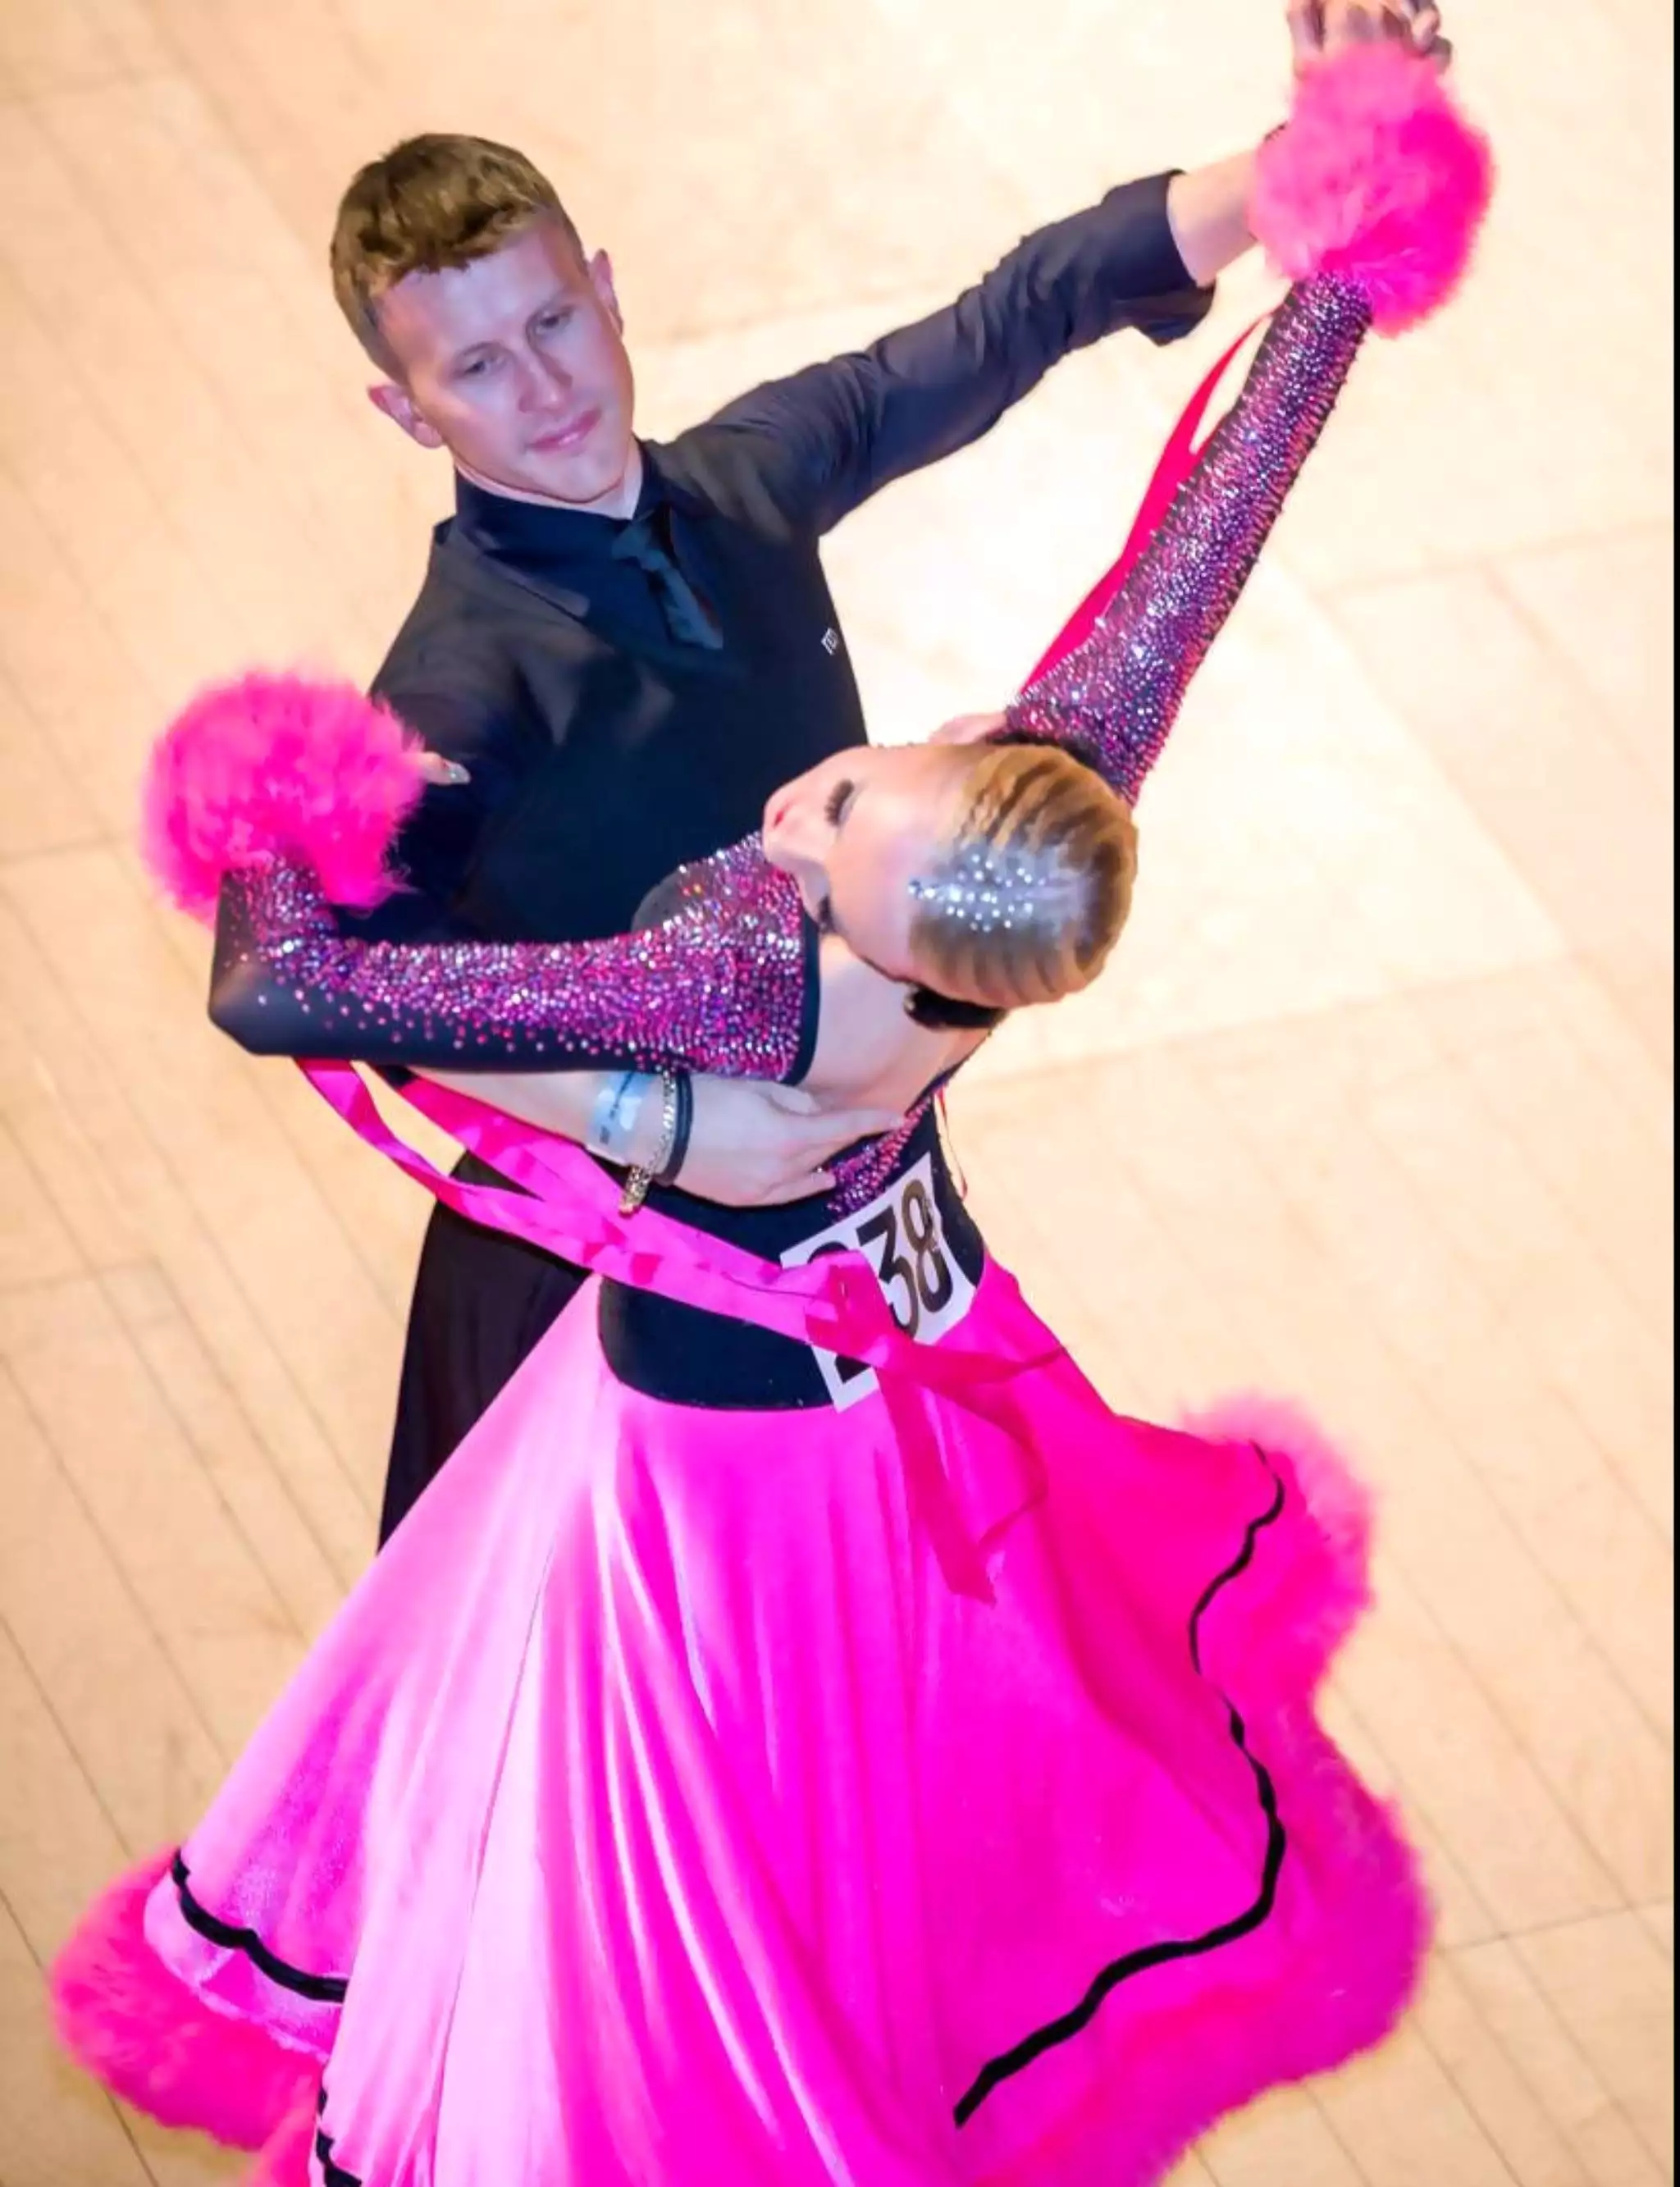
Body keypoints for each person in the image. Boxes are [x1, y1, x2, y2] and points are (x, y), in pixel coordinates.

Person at [52, 43, 1490, 2185]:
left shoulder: (727, 970)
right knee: (815, 1801)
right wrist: (1329, 238)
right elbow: (1167, 550)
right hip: (847, 1365)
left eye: (833, 802)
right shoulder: (991, 879)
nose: (806, 790)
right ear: (409, 407)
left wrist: (290, 845)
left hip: (667, 1404)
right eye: (480, 360)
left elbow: (307, 980)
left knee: (596, 1828)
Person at [326, 0, 1454, 1542]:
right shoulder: (457, 691)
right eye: (476, 366)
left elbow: (1009, 322)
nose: (547, 386)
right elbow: (340, 982)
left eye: (554, 323)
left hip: (826, 1250)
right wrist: (648, 1128)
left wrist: (1300, 173)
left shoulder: (747, 482)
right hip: (581, 1292)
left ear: (604, 288)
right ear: (406, 414)